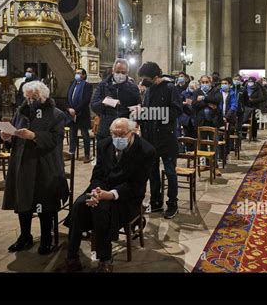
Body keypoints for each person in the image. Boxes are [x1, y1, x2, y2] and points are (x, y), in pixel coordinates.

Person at [64, 118, 156, 272]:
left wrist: (111, 194)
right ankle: (72, 255)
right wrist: (95, 193)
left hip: (127, 197)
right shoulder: (104, 144)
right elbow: (97, 174)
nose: (117, 139)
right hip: (102, 189)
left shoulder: (146, 150)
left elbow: (136, 184)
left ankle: (105, 258)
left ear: (133, 132)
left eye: (122, 135)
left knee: (102, 209)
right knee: (80, 204)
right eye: (114, 134)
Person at [1, 81, 69, 255]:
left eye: (35, 97)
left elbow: (56, 140)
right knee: (22, 202)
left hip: (44, 166)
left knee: (44, 203)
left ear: (44, 97)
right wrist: (8, 138)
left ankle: (46, 237)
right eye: (28, 97)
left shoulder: (56, 115)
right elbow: (15, 138)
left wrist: (34, 136)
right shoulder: (20, 112)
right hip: (22, 164)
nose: (31, 101)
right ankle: (25, 236)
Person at [138, 62, 183, 219]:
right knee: (152, 172)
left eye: (145, 78)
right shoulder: (149, 90)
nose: (143, 81)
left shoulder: (170, 88)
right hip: (150, 138)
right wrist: (140, 113)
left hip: (166, 138)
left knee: (170, 172)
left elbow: (176, 110)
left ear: (155, 77)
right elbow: (147, 112)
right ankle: (156, 202)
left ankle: (172, 204)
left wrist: (153, 113)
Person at [91, 58, 141, 141]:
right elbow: (93, 106)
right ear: (113, 71)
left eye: (123, 72)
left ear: (127, 73)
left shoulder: (133, 87)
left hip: (125, 132)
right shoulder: (103, 85)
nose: (120, 74)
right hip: (106, 130)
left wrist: (137, 111)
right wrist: (104, 103)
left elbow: (139, 108)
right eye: (117, 72)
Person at [65, 68, 93, 162]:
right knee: (72, 134)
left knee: (85, 135)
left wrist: (75, 110)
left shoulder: (87, 86)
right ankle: (71, 153)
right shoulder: (71, 84)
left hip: (82, 114)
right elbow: (67, 97)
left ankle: (87, 155)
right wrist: (69, 109)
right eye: (76, 73)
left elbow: (86, 100)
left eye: (79, 73)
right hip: (71, 114)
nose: (77, 74)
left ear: (84, 75)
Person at [243, 76, 267, 142]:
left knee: (254, 122)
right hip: (246, 107)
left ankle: (254, 136)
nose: (250, 83)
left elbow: (262, 98)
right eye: (249, 81)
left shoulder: (258, 88)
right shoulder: (244, 87)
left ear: (254, 82)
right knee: (245, 120)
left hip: (255, 107)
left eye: (251, 82)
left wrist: (253, 100)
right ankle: (243, 135)